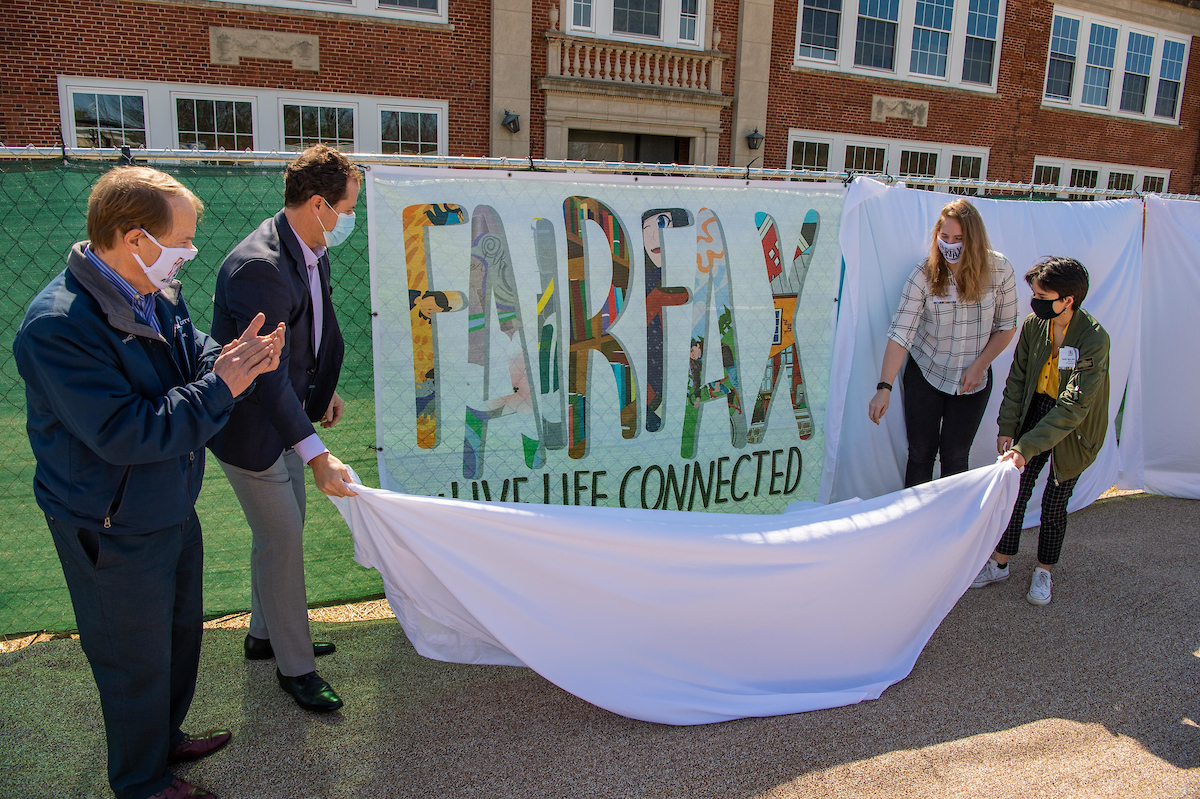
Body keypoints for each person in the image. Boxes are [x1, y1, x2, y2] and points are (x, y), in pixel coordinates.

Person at [13, 166, 283, 799]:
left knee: (177, 636)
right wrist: (225, 385)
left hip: (165, 505)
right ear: (134, 238)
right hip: (111, 523)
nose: (189, 254)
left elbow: (189, 355)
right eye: (181, 240)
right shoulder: (57, 326)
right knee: (132, 661)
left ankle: (163, 740)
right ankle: (140, 782)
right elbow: (128, 432)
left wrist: (228, 357)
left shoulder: (154, 289)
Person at [210, 144, 359, 713]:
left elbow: (304, 334)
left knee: (278, 534)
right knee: (285, 538)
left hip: (286, 417)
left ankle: (262, 637)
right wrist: (318, 454)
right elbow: (265, 381)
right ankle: (296, 669)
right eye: (347, 209)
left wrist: (323, 388)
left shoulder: (307, 246)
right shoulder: (261, 267)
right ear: (319, 204)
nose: (350, 220)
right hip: (253, 431)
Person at [972, 257, 1110, 606]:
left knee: (1055, 500)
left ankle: (1044, 570)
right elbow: (1017, 378)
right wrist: (1008, 427)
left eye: (1042, 295)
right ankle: (1000, 563)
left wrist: (1025, 446)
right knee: (1017, 487)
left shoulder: (1094, 339)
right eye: (1034, 293)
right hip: (1038, 410)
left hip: (1074, 425)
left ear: (1068, 300)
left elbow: (1074, 407)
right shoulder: (1034, 325)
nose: (1034, 301)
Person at [868, 198, 1019, 486]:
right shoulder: (923, 275)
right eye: (945, 237)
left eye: (959, 238)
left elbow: (1007, 327)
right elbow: (901, 333)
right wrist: (884, 388)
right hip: (927, 374)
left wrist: (980, 366)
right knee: (921, 454)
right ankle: (915, 522)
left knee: (956, 455)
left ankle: (950, 525)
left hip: (973, 381)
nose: (950, 244)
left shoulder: (1000, 269)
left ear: (974, 239)